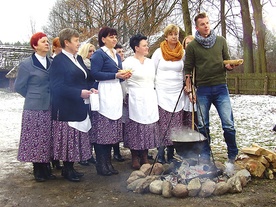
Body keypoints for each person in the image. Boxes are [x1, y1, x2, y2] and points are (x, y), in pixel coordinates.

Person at [184, 12, 239, 163]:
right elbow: (188, 69)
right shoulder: (193, 46)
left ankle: (233, 155)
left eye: (207, 23)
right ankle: (206, 155)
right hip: (202, 89)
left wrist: (230, 66)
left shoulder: (221, 41)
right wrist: (189, 89)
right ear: (197, 27)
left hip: (221, 87)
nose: (206, 26)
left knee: (228, 123)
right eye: (202, 24)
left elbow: (226, 62)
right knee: (202, 125)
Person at [49, 28, 93, 182]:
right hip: (66, 107)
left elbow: (85, 78)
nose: (78, 43)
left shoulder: (79, 59)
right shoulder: (59, 61)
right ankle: (67, 170)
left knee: (76, 139)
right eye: (75, 40)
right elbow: (56, 87)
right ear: (66, 43)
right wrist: (79, 93)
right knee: (69, 139)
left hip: (79, 105)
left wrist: (90, 88)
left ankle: (71, 167)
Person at [90, 26, 131, 176]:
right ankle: (101, 165)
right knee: (102, 133)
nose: (114, 39)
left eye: (115, 37)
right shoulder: (99, 55)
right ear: (103, 39)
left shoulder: (117, 55)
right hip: (104, 91)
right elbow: (95, 73)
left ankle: (108, 163)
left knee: (111, 133)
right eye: (111, 37)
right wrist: (115, 76)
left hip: (114, 92)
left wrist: (123, 76)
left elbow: (117, 73)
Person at [15, 32, 56, 182]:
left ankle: (45, 166)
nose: (47, 44)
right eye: (43, 41)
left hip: (51, 105)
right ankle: (37, 168)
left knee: (47, 137)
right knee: (35, 138)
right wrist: (33, 96)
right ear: (34, 45)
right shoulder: (26, 64)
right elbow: (19, 86)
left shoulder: (51, 62)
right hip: (34, 107)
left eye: (47, 41)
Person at [122, 34, 160, 169]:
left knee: (147, 127)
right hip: (134, 97)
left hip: (149, 96)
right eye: (144, 45)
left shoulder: (150, 63)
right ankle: (134, 156)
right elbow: (124, 82)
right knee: (135, 127)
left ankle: (145, 155)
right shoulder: (128, 62)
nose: (147, 47)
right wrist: (125, 96)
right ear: (136, 47)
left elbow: (155, 80)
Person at [151, 24, 185, 164]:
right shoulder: (158, 52)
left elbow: (185, 72)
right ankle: (160, 152)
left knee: (175, 124)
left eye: (176, 34)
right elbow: (152, 71)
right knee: (163, 124)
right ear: (166, 36)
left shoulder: (182, 52)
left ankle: (171, 154)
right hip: (162, 92)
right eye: (171, 34)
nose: (174, 36)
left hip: (177, 92)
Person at [77, 42, 97, 166]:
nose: (92, 54)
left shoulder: (94, 65)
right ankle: (81, 154)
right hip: (82, 98)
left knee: (91, 127)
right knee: (82, 128)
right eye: (89, 51)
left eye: (93, 51)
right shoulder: (81, 64)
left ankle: (89, 153)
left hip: (93, 98)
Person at [112, 43, 125, 162]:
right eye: (118, 52)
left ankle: (118, 150)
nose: (121, 54)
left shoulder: (123, 65)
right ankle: (115, 151)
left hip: (123, 96)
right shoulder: (114, 65)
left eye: (122, 52)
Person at [182, 35, 198, 129]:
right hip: (186, 89)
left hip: (197, 88)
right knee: (187, 113)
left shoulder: (198, 56)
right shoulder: (183, 58)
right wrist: (187, 86)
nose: (189, 45)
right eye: (187, 43)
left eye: (191, 43)